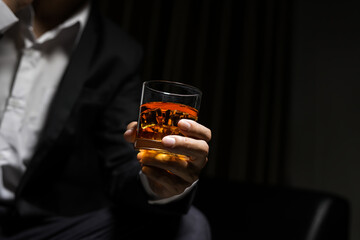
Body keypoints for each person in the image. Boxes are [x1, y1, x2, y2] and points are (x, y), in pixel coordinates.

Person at [0, 0, 212, 239]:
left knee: (190, 226)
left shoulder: (117, 52)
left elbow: (122, 163)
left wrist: (160, 182)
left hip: (42, 225)